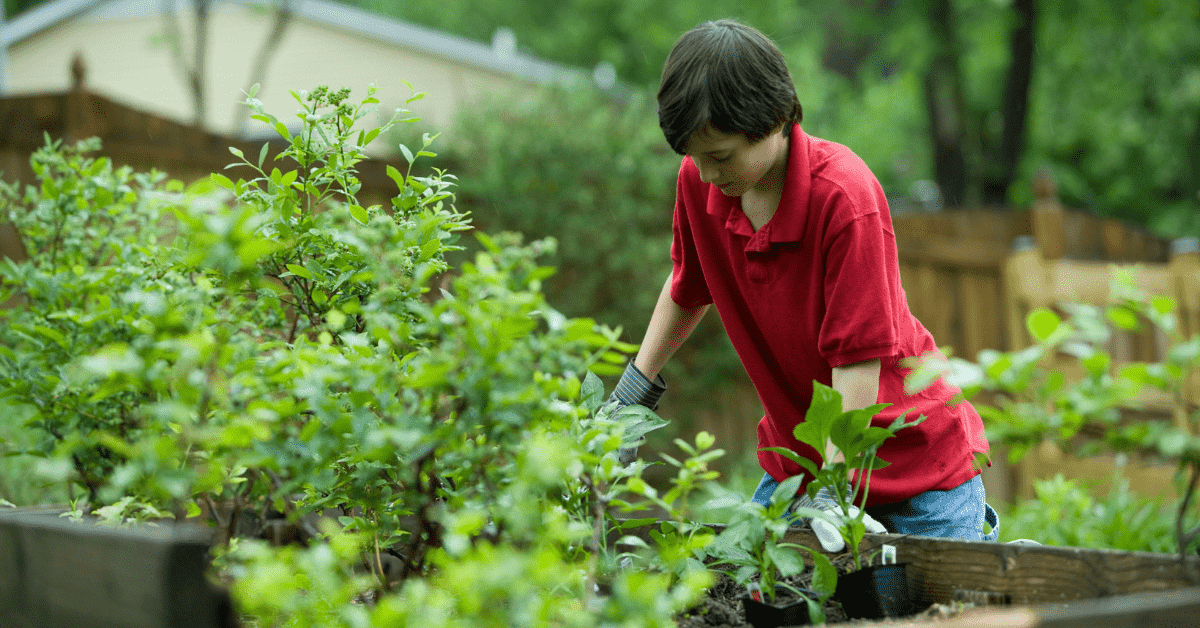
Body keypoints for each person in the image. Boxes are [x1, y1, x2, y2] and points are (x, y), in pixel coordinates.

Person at [609, 18, 999, 550]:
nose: (704, 173)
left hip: (916, 473)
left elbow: (856, 361)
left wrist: (836, 494)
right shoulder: (701, 183)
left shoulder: (843, 197)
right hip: (803, 467)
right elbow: (687, 285)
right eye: (693, 156)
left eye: (720, 156)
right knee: (749, 591)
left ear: (773, 119)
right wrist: (628, 400)